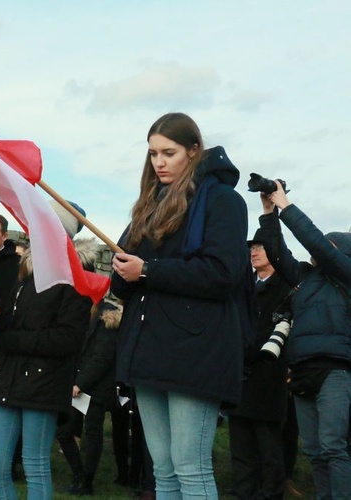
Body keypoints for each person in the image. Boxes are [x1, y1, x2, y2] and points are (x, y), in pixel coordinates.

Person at [111, 112, 249, 497]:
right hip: (149, 349)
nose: (159, 162)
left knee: (191, 468)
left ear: (193, 151)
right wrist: (123, 271)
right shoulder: (148, 206)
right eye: (153, 153)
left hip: (196, 351)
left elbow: (223, 273)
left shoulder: (224, 200)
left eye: (168, 153)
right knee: (164, 470)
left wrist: (148, 271)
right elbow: (128, 276)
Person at [0, 204, 95, 500]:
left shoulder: (77, 275)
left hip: (44, 384)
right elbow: (7, 321)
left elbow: (68, 339)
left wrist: (13, 340)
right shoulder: (26, 272)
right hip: (7, 378)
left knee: (35, 465)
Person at [257, 182, 351, 499]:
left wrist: (286, 205)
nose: (319, 250)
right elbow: (277, 253)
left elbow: (317, 245)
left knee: (334, 446)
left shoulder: (346, 275)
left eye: (328, 247)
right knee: (314, 450)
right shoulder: (305, 279)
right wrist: (269, 211)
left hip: (336, 371)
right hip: (300, 370)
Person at [228, 235, 293, 500]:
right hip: (239, 376)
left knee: (269, 446)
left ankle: (270, 494)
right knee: (240, 444)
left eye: (260, 247)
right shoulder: (242, 287)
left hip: (269, 376)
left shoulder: (287, 289)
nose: (254, 253)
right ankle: (243, 492)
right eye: (252, 248)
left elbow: (276, 331)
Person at [57, 296, 123, 496]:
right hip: (86, 384)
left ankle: (85, 480)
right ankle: (82, 476)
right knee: (68, 432)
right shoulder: (97, 313)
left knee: (91, 432)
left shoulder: (106, 318)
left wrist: (80, 383)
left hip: (94, 387)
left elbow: (101, 358)